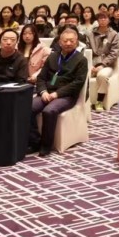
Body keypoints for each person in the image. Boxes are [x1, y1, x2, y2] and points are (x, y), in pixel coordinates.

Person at [29, 28, 88, 157]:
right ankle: (34, 142)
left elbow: (77, 83)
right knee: (28, 108)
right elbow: (41, 77)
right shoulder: (53, 56)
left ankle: (46, 146)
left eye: (71, 41)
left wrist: (57, 94)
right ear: (60, 42)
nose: (68, 43)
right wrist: (43, 91)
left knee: (49, 110)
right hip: (47, 92)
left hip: (66, 96)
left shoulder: (81, 60)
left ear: (77, 42)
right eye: (65, 41)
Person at [88, 12, 119, 110]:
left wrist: (102, 65)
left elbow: (114, 53)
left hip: (107, 64)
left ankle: (99, 101)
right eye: (100, 18)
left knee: (102, 75)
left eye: (105, 18)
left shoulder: (113, 34)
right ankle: (83, 101)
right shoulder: (90, 34)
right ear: (97, 20)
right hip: (92, 63)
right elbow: (87, 51)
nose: (102, 20)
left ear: (109, 20)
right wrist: (90, 65)